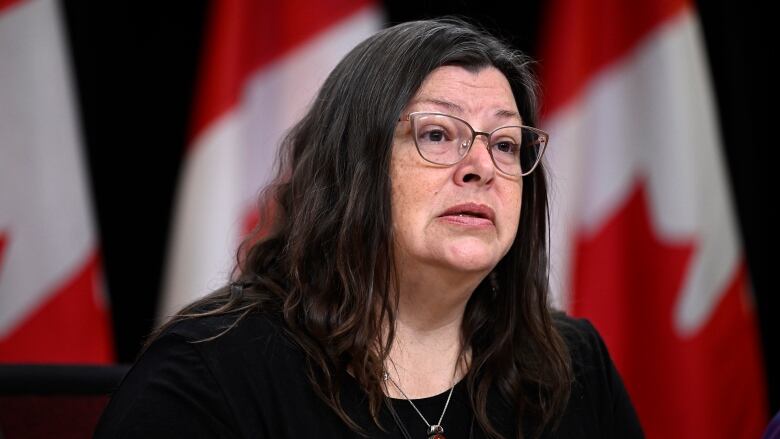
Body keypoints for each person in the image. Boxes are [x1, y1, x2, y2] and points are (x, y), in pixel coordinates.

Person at [95, 18, 644, 439]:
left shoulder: (570, 367)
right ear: (352, 166)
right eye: (437, 134)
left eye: (504, 143)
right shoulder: (211, 370)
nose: (480, 165)